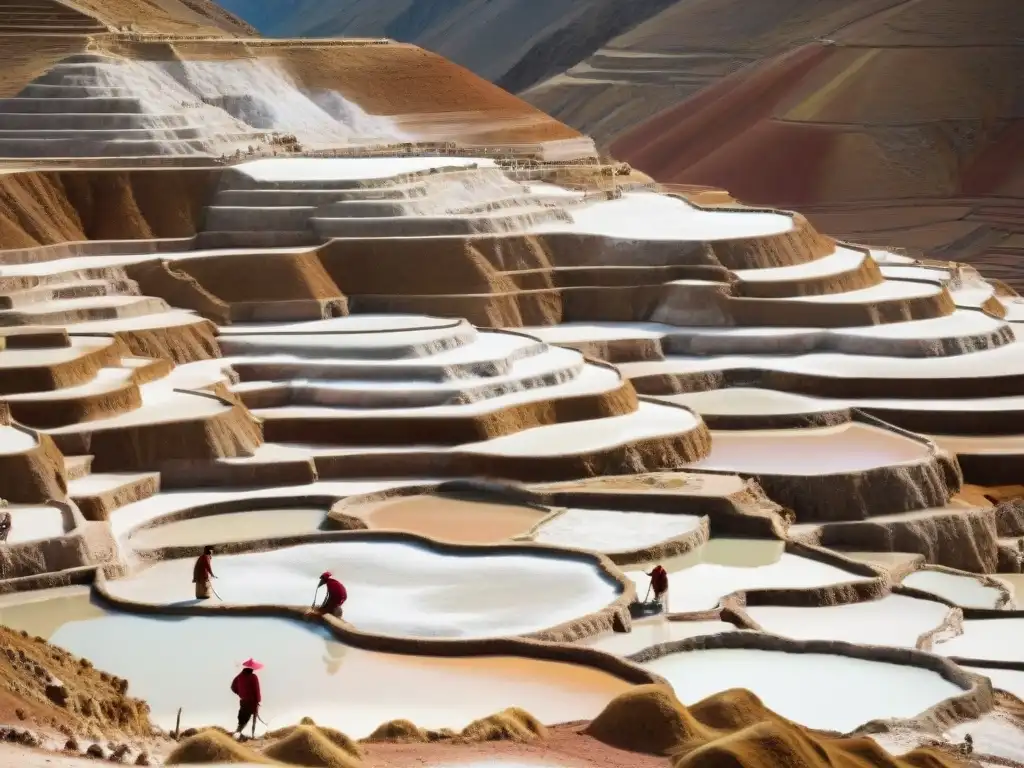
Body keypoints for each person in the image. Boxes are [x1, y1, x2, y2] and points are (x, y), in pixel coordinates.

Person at [230, 659, 262, 739]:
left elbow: (233, 687)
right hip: (252, 702)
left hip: (243, 701)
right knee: (250, 720)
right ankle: (251, 735)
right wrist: (258, 700)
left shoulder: (239, 676)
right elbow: (256, 690)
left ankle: (239, 733)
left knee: (242, 720)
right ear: (252, 669)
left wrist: (240, 693)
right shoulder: (253, 677)